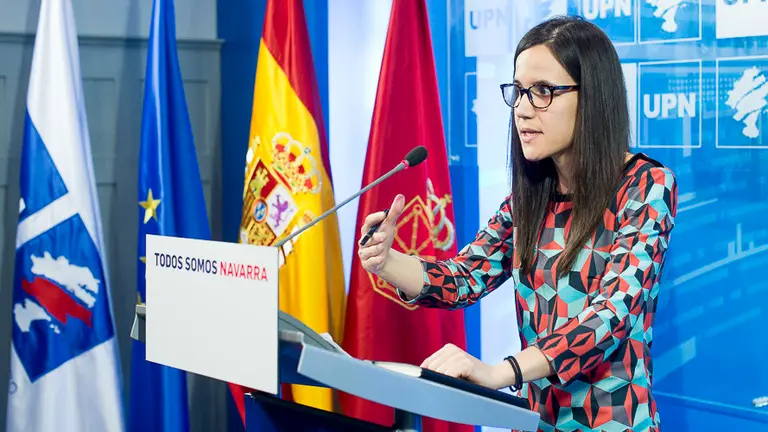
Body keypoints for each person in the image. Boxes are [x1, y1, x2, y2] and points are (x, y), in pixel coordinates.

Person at [356, 15, 678, 432]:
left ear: (593, 96)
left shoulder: (645, 185)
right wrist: (385, 260)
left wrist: (500, 371)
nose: (523, 110)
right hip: (534, 423)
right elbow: (465, 276)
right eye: (519, 91)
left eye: (543, 91)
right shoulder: (531, 194)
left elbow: (610, 316)